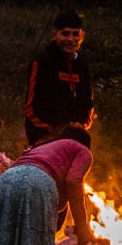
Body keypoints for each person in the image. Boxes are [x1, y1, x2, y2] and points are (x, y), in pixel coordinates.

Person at [0, 125, 96, 245]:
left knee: (8, 244)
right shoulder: (83, 151)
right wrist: (82, 227)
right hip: (37, 181)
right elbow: (73, 181)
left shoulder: (42, 148)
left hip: (6, 181)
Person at [24, 10, 94, 146]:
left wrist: (81, 125)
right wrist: (56, 130)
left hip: (73, 134)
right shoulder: (42, 61)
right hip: (44, 133)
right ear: (55, 35)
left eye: (75, 34)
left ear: (82, 36)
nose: (70, 39)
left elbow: (87, 102)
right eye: (65, 34)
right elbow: (31, 108)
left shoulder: (82, 66)